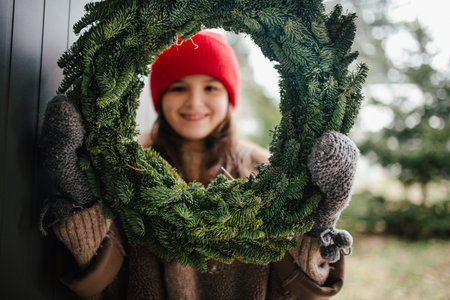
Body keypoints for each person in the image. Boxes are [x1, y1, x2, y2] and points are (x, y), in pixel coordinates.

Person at [40, 30, 358, 300]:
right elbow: (105, 278)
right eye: (178, 87)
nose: (194, 102)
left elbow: (299, 284)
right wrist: (80, 194)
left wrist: (322, 220)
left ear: (229, 96)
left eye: (210, 87)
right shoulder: (127, 170)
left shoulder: (266, 172)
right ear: (159, 97)